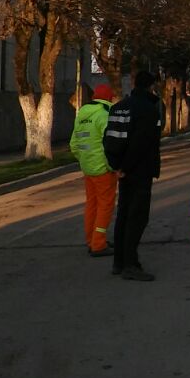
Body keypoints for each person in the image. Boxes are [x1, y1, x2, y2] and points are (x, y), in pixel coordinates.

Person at [103, 70, 164, 281]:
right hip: (139, 169)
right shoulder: (148, 110)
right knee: (137, 217)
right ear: (151, 86)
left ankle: (118, 262)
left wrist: (116, 165)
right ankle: (131, 263)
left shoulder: (118, 107)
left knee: (124, 215)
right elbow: (140, 144)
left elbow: (109, 138)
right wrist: (126, 166)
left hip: (122, 170)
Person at [70, 82, 117, 257]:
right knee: (105, 206)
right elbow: (110, 142)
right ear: (109, 98)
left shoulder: (81, 115)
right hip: (103, 169)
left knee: (92, 204)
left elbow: (74, 144)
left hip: (88, 168)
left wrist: (84, 160)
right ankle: (98, 244)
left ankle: (92, 239)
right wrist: (113, 165)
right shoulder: (105, 115)